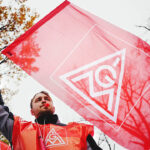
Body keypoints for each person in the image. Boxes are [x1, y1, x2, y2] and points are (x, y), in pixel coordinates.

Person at [0, 90, 102, 150]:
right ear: (32, 112)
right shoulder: (18, 130)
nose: (44, 100)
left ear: (53, 108)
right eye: (38, 100)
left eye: (47, 98)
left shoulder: (79, 130)